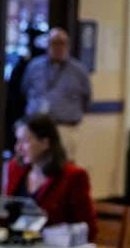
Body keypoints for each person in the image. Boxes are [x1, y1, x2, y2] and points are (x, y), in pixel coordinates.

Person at [0, 113, 99, 248]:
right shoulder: (16, 170)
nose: (18, 148)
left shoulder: (73, 177)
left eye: (25, 141)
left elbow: (88, 229)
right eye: (17, 141)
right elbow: (7, 215)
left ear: (46, 142)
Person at [20, 27, 92, 158]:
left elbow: (86, 99)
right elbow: (24, 90)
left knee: (63, 167)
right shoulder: (34, 66)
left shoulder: (79, 71)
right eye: (54, 42)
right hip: (37, 129)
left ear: (68, 46)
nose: (58, 47)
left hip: (65, 128)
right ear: (47, 45)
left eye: (62, 43)